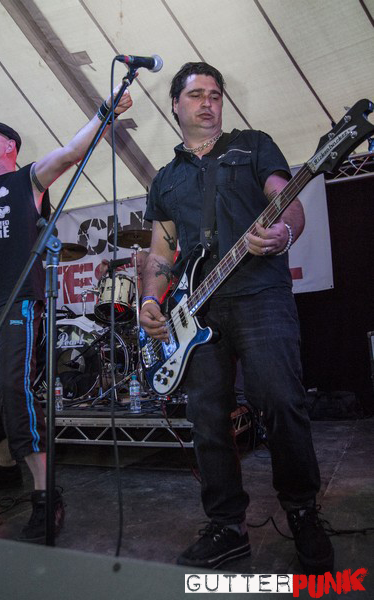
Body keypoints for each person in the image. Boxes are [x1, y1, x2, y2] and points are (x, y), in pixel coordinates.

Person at [139, 62, 334, 574]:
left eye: (215, 94)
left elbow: (286, 201)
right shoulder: (166, 179)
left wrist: (283, 234)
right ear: (175, 104)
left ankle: (302, 512)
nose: (208, 102)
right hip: (197, 310)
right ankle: (227, 526)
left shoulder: (253, 146)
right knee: (206, 418)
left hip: (259, 294)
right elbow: (160, 250)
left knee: (280, 401)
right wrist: (150, 301)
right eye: (196, 94)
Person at [0, 87, 132, 542]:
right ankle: (3, 468)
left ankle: (45, 494)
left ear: (10, 146)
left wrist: (103, 113)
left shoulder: (27, 180)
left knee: (12, 388)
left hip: (15, 302)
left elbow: (70, 152)